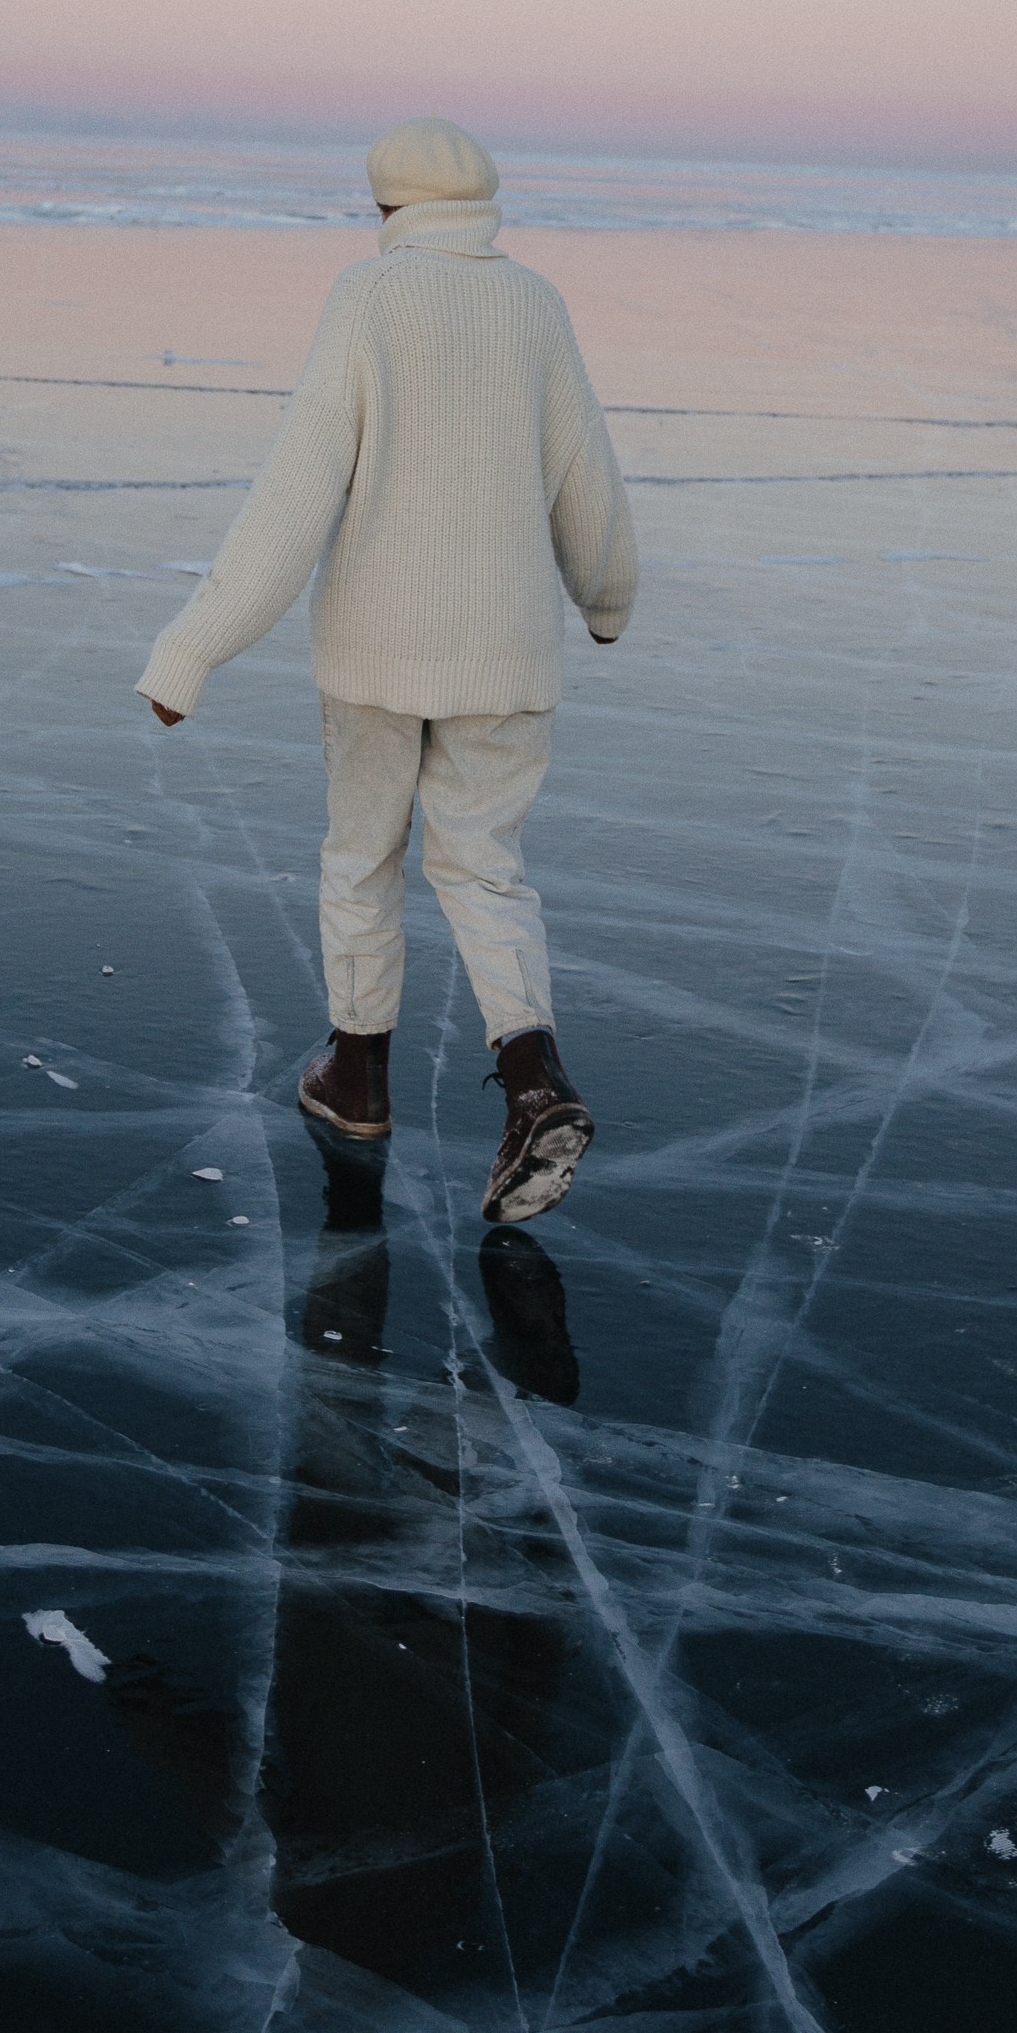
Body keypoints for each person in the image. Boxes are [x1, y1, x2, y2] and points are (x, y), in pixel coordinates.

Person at [135, 115, 636, 1222]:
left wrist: (191, 649)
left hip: (374, 650)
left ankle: (357, 1077)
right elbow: (585, 474)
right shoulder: (535, 303)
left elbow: (296, 489)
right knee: (484, 866)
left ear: (385, 206)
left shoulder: (367, 298)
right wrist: (606, 598)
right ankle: (534, 1077)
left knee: (362, 854)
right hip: (506, 653)